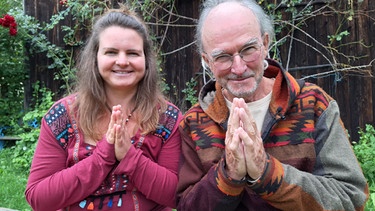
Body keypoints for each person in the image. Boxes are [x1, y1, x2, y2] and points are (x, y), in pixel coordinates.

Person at [176, 0, 369, 210]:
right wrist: (228, 175)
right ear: (207, 61)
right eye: (222, 56)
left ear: (265, 43)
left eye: (248, 49)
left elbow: (351, 198)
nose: (239, 68)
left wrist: (266, 172)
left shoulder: (314, 105)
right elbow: (186, 206)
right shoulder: (194, 123)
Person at [25, 6, 182, 211]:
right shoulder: (62, 115)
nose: (123, 61)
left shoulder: (167, 118)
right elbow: (39, 198)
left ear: (146, 60)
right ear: (95, 57)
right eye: (111, 52)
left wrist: (129, 156)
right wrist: (102, 157)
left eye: (133, 53)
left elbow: (177, 195)